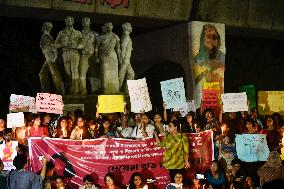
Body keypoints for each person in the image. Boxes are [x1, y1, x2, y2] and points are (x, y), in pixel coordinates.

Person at [193, 24, 225, 109]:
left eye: (215, 37)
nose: (212, 40)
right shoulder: (197, 59)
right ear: (203, 38)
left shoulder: (222, 57)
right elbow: (196, 81)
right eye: (209, 36)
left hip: (217, 96)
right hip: (204, 97)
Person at [55, 16, 83, 95]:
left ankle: (75, 91)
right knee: (68, 73)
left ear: (73, 21)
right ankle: (69, 90)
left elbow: (82, 44)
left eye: (71, 20)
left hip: (74, 53)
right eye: (67, 20)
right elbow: (55, 44)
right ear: (65, 22)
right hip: (65, 53)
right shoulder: (61, 33)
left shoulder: (78, 33)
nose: (69, 21)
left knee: (74, 71)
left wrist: (76, 46)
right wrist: (61, 44)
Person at [39, 21, 65, 94]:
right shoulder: (47, 36)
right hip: (49, 57)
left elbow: (50, 46)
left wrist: (59, 45)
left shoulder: (45, 36)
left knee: (55, 74)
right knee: (43, 74)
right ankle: (46, 91)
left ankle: (60, 91)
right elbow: (51, 46)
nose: (50, 28)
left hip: (50, 57)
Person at [97, 22, 121, 94]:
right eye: (108, 25)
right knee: (105, 73)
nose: (109, 26)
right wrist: (96, 57)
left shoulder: (116, 37)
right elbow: (96, 48)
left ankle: (115, 89)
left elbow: (118, 49)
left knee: (114, 73)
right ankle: (105, 89)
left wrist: (120, 59)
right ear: (105, 27)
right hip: (104, 56)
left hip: (113, 56)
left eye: (111, 25)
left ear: (112, 27)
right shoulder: (101, 37)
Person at [79, 17, 95, 95]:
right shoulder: (79, 33)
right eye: (84, 21)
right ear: (82, 23)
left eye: (88, 21)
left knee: (94, 74)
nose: (86, 22)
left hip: (93, 56)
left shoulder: (94, 33)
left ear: (90, 23)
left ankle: (94, 90)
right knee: (82, 73)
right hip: (83, 55)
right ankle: (83, 90)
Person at [119, 22, 135, 91]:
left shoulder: (125, 36)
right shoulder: (126, 36)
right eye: (130, 26)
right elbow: (123, 47)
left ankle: (127, 90)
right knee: (122, 74)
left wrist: (130, 48)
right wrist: (123, 59)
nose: (131, 28)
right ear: (127, 28)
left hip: (126, 59)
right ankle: (118, 88)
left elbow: (124, 47)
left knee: (130, 74)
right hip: (125, 59)